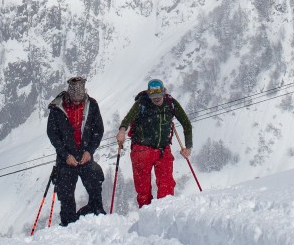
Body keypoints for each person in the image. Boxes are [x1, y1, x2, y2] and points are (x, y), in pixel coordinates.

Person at [116, 79, 193, 208]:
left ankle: (164, 212)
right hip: (141, 150)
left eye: (158, 96)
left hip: (163, 149)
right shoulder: (142, 103)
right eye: (153, 96)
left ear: (163, 92)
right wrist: (122, 131)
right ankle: (147, 215)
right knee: (143, 189)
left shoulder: (171, 104)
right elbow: (127, 119)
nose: (156, 99)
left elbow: (186, 123)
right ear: (148, 94)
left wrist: (188, 147)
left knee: (167, 185)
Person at [46, 76, 105, 226]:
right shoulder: (57, 108)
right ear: (68, 94)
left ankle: (96, 213)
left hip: (85, 155)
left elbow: (98, 130)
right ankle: (69, 222)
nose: (77, 102)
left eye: (80, 99)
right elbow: (52, 134)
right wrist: (65, 155)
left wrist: (89, 151)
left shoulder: (92, 105)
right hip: (66, 159)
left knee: (95, 179)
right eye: (74, 100)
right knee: (65, 193)